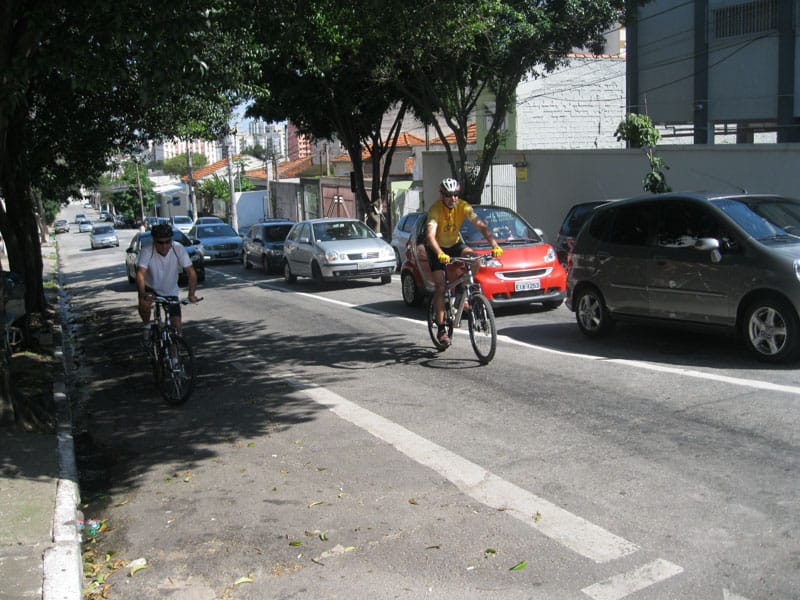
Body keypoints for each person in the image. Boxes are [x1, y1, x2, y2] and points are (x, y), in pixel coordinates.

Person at [425, 178, 503, 347]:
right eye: (448, 195)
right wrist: (440, 253)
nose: (453, 198)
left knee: (475, 259)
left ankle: (462, 291)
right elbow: (430, 236)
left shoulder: (463, 206)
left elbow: (481, 226)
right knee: (440, 287)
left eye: (455, 195)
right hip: (436, 247)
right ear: (442, 195)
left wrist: (494, 245)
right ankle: (441, 329)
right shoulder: (435, 210)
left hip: (454, 244)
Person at [136, 223, 199, 342]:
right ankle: (147, 326)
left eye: (167, 242)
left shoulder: (178, 248)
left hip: (170, 290)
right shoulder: (147, 250)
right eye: (160, 242)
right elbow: (140, 274)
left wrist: (191, 294)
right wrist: (143, 293)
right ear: (154, 241)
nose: (164, 246)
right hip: (151, 288)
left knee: (177, 328)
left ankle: (175, 353)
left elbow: (191, 273)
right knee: (144, 303)